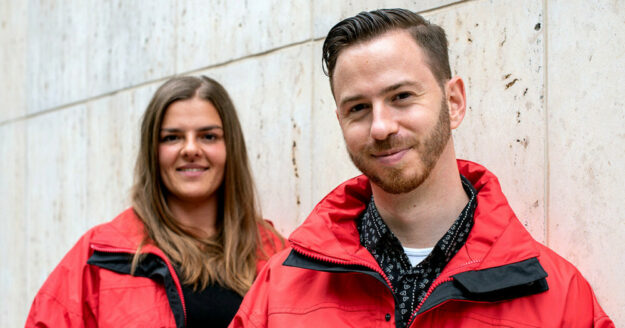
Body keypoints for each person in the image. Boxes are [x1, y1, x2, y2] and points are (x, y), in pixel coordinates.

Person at [230, 9, 614, 328]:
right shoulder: (276, 290)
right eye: (358, 108)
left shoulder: (560, 297)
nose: (381, 127)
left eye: (401, 97)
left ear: (454, 102)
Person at [26, 76, 284, 328]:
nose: (191, 149)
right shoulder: (97, 258)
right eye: (172, 137)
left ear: (231, 147)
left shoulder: (274, 257)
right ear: (153, 151)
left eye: (208, 136)